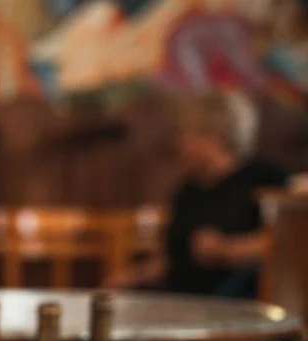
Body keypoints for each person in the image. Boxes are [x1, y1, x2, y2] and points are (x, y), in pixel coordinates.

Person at [105, 90, 288, 298]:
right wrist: (131, 277)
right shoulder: (187, 190)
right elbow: (175, 259)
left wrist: (227, 250)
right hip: (182, 298)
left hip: (235, 300)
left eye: (186, 134)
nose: (179, 143)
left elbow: (287, 241)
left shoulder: (266, 181)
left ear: (215, 137)